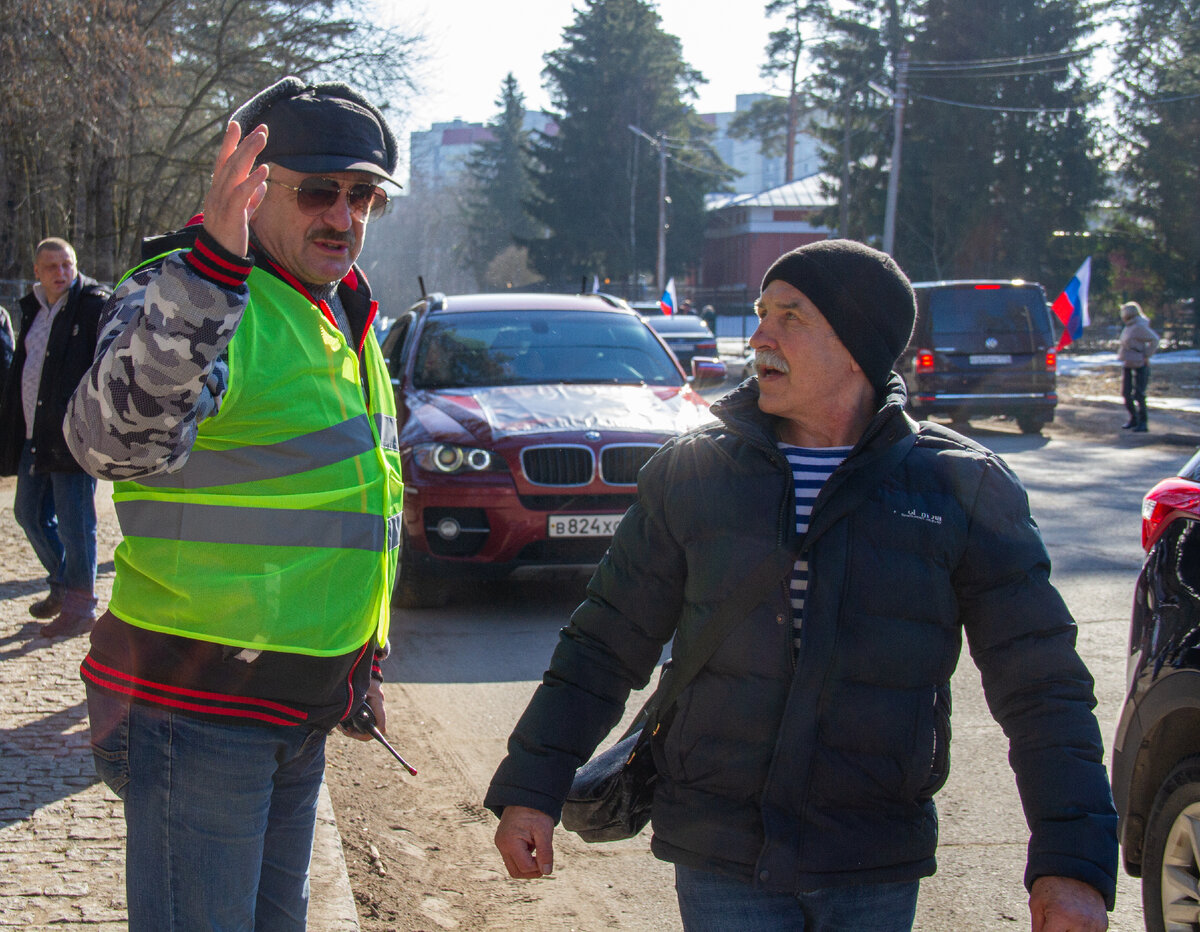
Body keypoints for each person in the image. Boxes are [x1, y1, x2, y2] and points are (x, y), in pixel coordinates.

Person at [486, 239, 1117, 932]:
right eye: (761, 312)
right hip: (720, 851)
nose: (760, 336)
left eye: (791, 316)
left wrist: (1072, 862)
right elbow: (603, 644)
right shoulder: (693, 473)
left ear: (857, 346)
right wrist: (532, 789)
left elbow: (1043, 685)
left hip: (871, 854)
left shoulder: (961, 486)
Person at [64, 77, 404, 930]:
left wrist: (359, 662)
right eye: (319, 191)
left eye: (362, 195)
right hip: (202, 712)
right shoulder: (195, 296)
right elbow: (108, 442)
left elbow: (344, 511)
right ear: (251, 190)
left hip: (300, 705)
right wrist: (212, 273)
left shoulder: (339, 315)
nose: (344, 216)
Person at [0, 238, 109, 637]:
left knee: (76, 524)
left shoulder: (93, 303)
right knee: (28, 514)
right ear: (37, 272)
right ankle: (64, 584)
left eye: (67, 265)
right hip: (35, 433)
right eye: (52, 267)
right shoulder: (33, 309)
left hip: (74, 436)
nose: (61, 273)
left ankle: (81, 607)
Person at [1117, 300, 1159, 433]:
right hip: (1128, 362)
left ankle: (1143, 422)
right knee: (1126, 393)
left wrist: (1146, 355)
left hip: (1139, 363)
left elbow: (1155, 339)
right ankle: (1133, 418)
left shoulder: (1139, 326)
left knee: (1139, 394)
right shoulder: (1129, 326)